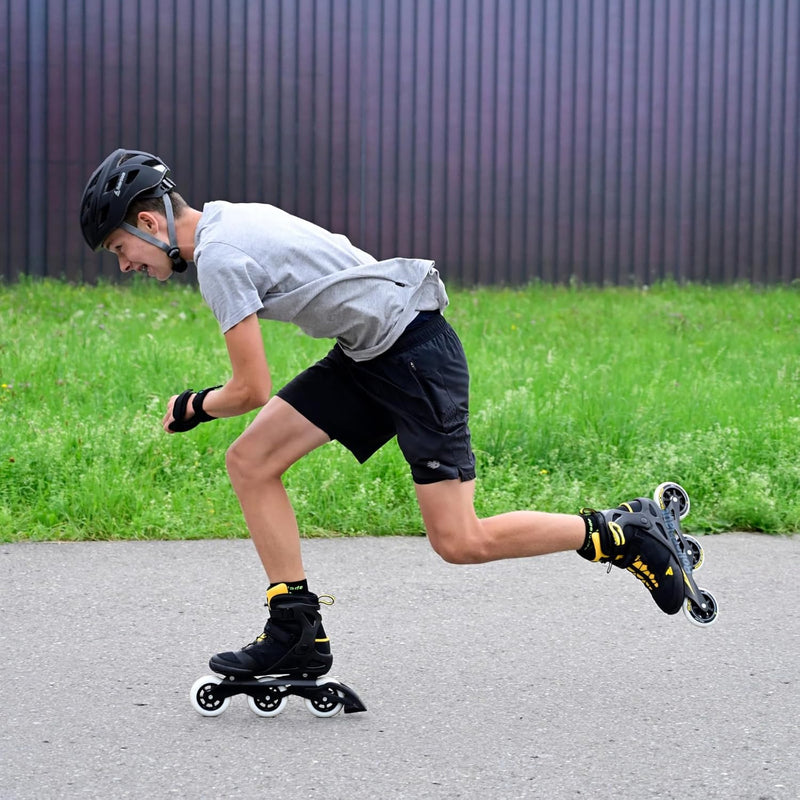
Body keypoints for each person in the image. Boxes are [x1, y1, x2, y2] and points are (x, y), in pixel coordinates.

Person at [80, 148, 687, 681]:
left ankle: (623, 532)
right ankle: (294, 627)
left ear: (149, 221)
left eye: (120, 249)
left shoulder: (218, 257)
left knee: (459, 540)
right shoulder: (226, 217)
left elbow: (250, 389)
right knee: (251, 460)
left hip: (415, 358)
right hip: (370, 352)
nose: (125, 265)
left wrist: (193, 406)